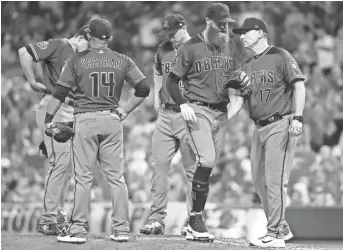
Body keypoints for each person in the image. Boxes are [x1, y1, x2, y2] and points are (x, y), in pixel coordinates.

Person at [44, 18, 150, 243]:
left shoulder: (76, 60)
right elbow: (143, 87)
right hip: (112, 120)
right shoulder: (122, 60)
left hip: (85, 120)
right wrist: (127, 110)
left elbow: (59, 94)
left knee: (83, 179)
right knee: (117, 178)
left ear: (89, 36)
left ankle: (78, 230)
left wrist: (48, 119)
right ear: (109, 38)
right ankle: (121, 230)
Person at [166, 3, 246, 241]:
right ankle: (196, 218)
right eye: (221, 23)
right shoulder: (190, 47)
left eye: (227, 24)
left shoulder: (229, 45)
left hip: (221, 113)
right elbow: (172, 81)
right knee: (207, 159)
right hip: (198, 110)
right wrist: (182, 104)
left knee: (207, 168)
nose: (225, 27)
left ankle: (194, 219)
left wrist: (239, 82)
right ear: (209, 21)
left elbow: (230, 78)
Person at [232, 17, 306, 248]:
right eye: (240, 32)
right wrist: (218, 119)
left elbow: (299, 85)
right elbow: (237, 102)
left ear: (260, 33)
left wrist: (298, 117)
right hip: (259, 128)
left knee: (275, 180)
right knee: (258, 180)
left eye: (245, 31)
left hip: (281, 124)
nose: (241, 35)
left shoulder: (280, 55)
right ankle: (281, 225)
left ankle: (275, 234)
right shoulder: (245, 66)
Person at [18, 26, 90, 235]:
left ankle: (57, 214)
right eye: (89, 42)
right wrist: (31, 82)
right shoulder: (60, 45)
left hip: (69, 110)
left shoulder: (78, 57)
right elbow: (24, 52)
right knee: (59, 164)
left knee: (66, 166)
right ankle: (48, 218)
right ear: (80, 37)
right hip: (54, 107)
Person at [140, 13, 196, 236]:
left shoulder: (197, 48)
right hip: (165, 115)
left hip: (189, 116)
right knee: (159, 166)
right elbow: (157, 69)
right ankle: (156, 219)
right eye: (167, 33)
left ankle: (194, 221)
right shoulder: (163, 48)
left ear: (183, 27)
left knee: (192, 171)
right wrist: (157, 91)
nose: (170, 37)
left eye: (173, 33)